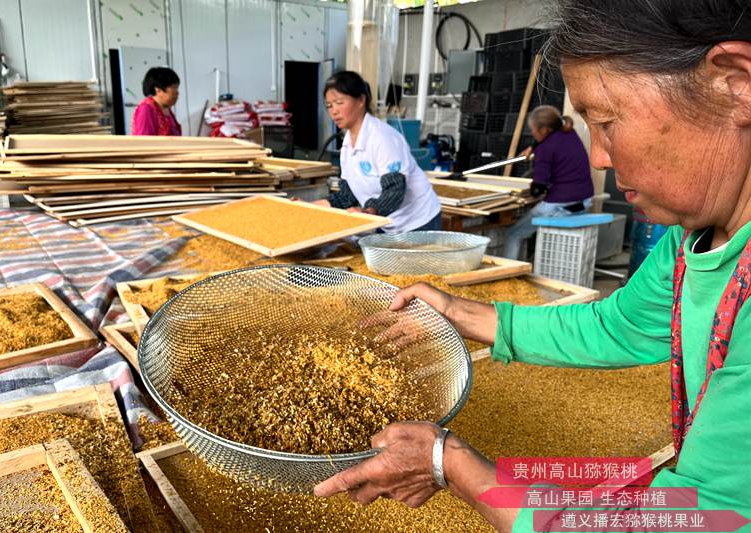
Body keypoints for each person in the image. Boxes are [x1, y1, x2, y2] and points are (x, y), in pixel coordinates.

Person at [313, 1, 751, 531]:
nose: (600, 159)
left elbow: (701, 516)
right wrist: (459, 312)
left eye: (607, 122)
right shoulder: (695, 236)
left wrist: (445, 461)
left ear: (734, 84)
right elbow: (620, 325)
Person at [314, 71, 442, 233]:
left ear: (361, 100)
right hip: (385, 221)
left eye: (339, 102)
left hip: (418, 222)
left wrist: (367, 213)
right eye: (329, 105)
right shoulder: (347, 144)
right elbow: (349, 195)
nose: (334, 111)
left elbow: (394, 190)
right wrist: (309, 206)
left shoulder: (382, 137)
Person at [503, 106, 594, 259]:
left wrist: (530, 191)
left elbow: (538, 189)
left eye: (533, 130)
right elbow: (548, 138)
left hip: (560, 205)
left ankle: (504, 274)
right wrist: (532, 147)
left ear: (544, 130)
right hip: (584, 200)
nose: (532, 133)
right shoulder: (569, 132)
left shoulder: (545, 149)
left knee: (514, 234)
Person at [131, 67, 182, 136]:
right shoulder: (146, 109)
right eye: (174, 87)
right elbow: (145, 142)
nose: (177, 92)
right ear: (158, 89)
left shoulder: (166, 109)